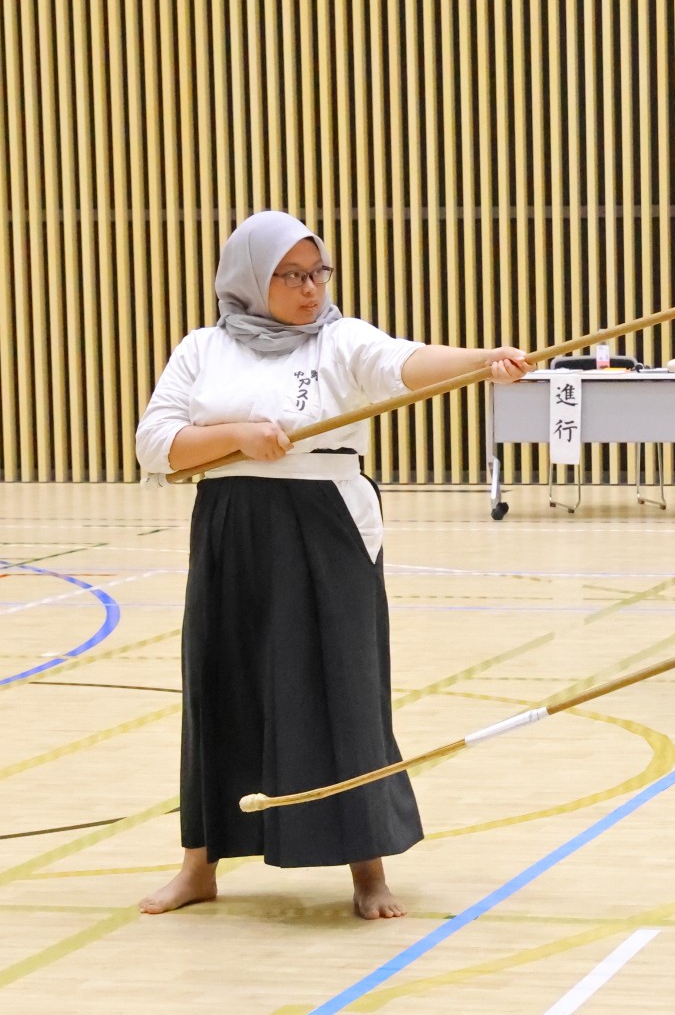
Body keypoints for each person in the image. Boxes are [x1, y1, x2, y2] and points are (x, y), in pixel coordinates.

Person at [134, 210, 531, 917]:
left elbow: (404, 363)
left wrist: (480, 360)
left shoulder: (342, 341)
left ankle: (368, 871)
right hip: (231, 532)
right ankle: (200, 864)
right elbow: (157, 445)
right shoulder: (203, 348)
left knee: (344, 688)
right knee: (220, 685)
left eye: (319, 272)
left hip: (326, 529)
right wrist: (237, 437)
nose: (311, 288)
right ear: (251, 279)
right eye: (292, 275)